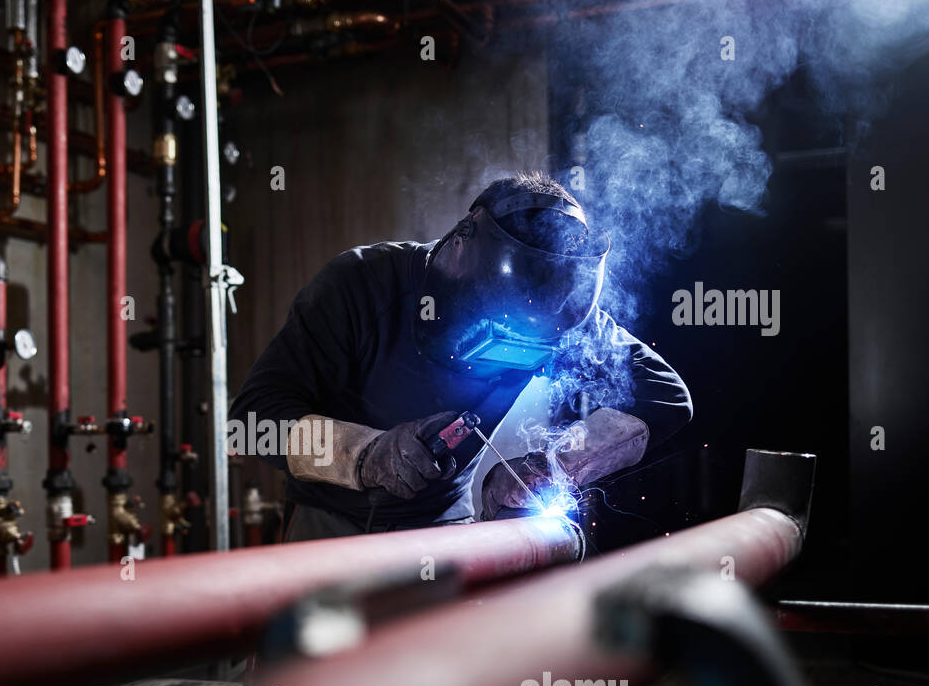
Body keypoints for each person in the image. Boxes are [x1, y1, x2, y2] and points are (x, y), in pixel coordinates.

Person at [230, 172, 693, 542]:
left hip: (444, 528)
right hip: (327, 528)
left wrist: (549, 467)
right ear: (458, 246)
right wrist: (366, 453)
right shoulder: (361, 283)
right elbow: (251, 425)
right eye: (499, 326)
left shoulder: (562, 320)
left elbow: (666, 397)